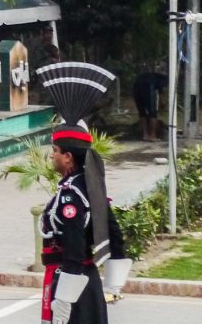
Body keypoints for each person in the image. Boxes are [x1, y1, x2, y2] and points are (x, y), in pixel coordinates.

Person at [36, 61, 125, 324]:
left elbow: (74, 247)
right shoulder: (90, 186)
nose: (51, 156)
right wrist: (113, 283)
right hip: (88, 284)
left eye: (55, 151)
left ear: (67, 157)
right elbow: (114, 234)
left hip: (71, 284)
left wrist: (63, 300)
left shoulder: (72, 195)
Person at [131, 67, 166, 141]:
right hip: (147, 88)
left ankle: (145, 135)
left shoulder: (149, 75)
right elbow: (161, 91)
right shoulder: (164, 79)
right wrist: (162, 102)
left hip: (136, 88)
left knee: (142, 112)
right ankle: (152, 135)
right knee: (153, 112)